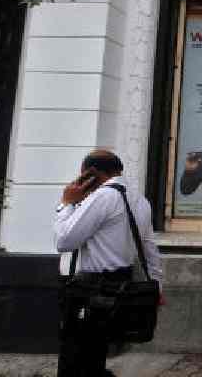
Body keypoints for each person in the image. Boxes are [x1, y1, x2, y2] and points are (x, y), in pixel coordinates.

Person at [54, 149, 163, 377]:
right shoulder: (139, 200)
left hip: (90, 289)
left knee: (75, 359)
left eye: (82, 177)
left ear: (91, 174)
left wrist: (66, 203)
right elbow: (150, 249)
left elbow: (64, 241)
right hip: (119, 285)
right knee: (95, 355)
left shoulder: (103, 197)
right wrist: (157, 286)